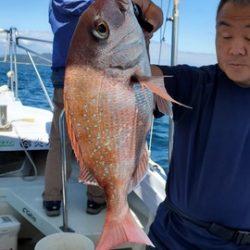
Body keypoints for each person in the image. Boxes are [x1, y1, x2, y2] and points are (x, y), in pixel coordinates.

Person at [43, 0, 163, 217]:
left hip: (65, 74)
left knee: (60, 139)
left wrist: (144, 25)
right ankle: (96, 199)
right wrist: (144, 26)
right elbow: (154, 12)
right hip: (102, 72)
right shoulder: (105, 5)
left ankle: (52, 197)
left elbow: (153, 13)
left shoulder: (57, 3)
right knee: (104, 133)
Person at [147, 0, 250, 249]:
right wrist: (141, 28)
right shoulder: (194, 84)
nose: (236, 49)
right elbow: (130, 81)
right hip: (173, 238)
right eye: (225, 35)